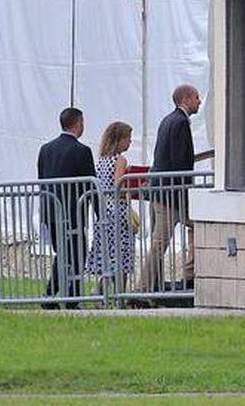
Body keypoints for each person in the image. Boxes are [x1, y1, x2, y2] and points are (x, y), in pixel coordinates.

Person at [140, 84, 200, 293]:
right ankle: (142, 288)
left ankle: (191, 273)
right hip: (171, 195)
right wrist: (186, 189)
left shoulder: (168, 120)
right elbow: (179, 160)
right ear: (186, 99)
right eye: (196, 97)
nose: (199, 101)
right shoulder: (180, 122)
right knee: (159, 243)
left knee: (199, 226)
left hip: (165, 192)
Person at [37, 106, 96, 306]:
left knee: (63, 253)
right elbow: (91, 185)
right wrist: (99, 212)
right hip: (72, 213)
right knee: (76, 254)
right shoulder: (82, 151)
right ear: (77, 124)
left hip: (50, 212)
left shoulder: (45, 149)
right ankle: (70, 295)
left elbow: (41, 179)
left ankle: (55, 294)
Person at [84, 121, 135, 292]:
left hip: (105, 211)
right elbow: (118, 186)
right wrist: (134, 186)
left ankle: (101, 287)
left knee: (107, 253)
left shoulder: (102, 160)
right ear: (119, 140)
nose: (130, 142)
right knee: (122, 255)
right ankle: (118, 292)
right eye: (128, 138)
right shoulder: (120, 160)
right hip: (119, 211)